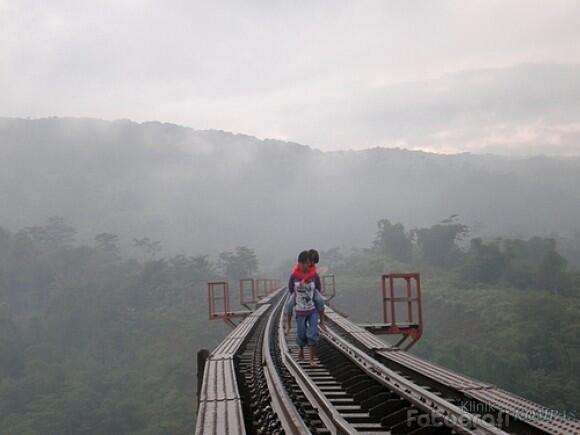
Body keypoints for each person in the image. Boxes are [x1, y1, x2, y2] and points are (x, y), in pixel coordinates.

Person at [285, 250, 325, 367]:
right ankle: (289, 326)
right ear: (299, 263)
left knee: (313, 334)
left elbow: (318, 287)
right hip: (300, 310)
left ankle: (312, 359)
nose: (305, 265)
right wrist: (298, 295)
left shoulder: (314, 274)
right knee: (301, 334)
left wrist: (312, 294)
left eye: (307, 263)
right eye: (302, 263)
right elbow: (290, 288)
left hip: (311, 310)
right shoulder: (295, 275)